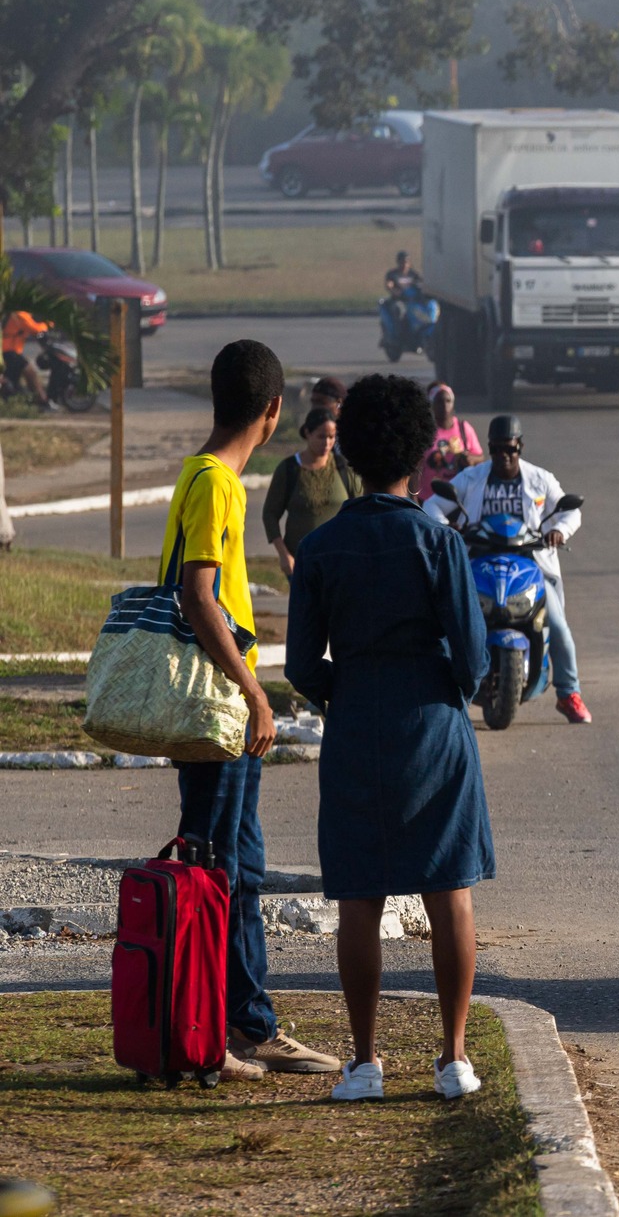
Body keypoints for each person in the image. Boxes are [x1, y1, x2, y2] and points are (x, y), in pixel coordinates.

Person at [285, 373, 494, 1103]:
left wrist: (345, 691)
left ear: (353, 456)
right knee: (450, 893)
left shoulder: (320, 549)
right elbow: (474, 659)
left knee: (360, 899)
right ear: (418, 452)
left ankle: (366, 1060)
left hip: (355, 725)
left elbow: (304, 664)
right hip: (433, 722)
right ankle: (454, 1056)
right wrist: (440, 691)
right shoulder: (439, 543)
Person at [167, 340, 341, 1082]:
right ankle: (202, 1036)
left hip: (223, 704)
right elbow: (197, 594)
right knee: (210, 870)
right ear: (272, 413)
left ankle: (249, 1024)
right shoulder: (216, 483)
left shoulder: (209, 477)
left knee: (240, 866)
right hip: (220, 704)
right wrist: (254, 689)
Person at [425, 415, 590, 724]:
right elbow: (433, 505)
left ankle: (569, 693)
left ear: (520, 447)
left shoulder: (541, 479)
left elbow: (571, 511)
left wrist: (559, 532)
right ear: (489, 448)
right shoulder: (472, 478)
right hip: (478, 563)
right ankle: (437, 690)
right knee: (446, 620)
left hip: (530, 566)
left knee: (557, 623)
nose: (503, 456)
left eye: (510, 449)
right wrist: (449, 530)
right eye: (497, 449)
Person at [261, 407, 362, 577]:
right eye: (321, 436)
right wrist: (284, 555)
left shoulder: (344, 468)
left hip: (339, 562)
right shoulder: (289, 469)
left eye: (331, 437)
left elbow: (361, 511)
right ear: (307, 433)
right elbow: (270, 514)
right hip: (301, 563)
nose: (327, 443)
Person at [416, 383, 483, 500]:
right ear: (432, 404)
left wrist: (470, 459)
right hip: (428, 498)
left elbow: (480, 457)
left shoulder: (464, 428)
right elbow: (415, 468)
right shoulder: (425, 431)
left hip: (460, 498)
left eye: (448, 401)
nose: (444, 405)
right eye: (439, 401)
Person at [2, 303, 53, 410]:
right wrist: (49, 324)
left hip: (10, 351)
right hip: (9, 351)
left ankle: (22, 401)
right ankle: (42, 400)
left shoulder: (18, 314)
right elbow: (36, 329)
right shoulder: (20, 315)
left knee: (14, 380)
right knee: (31, 373)